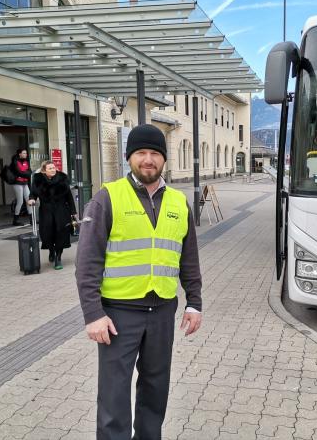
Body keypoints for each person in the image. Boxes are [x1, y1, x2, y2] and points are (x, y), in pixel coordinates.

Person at [75, 124, 202, 440]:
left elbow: (188, 258)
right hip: (118, 315)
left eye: (155, 153)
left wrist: (194, 302)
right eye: (141, 153)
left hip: (162, 311)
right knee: (114, 395)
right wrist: (93, 314)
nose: (148, 160)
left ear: (164, 159)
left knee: (155, 388)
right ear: (129, 157)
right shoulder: (108, 198)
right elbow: (87, 262)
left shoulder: (177, 202)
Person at [28, 161, 76, 270]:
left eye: (54, 167)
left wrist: (73, 212)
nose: (53, 169)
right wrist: (31, 199)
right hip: (46, 211)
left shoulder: (62, 179)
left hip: (62, 210)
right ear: (44, 170)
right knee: (47, 233)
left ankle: (58, 257)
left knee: (61, 233)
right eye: (50, 168)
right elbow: (33, 193)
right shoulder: (38, 180)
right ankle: (51, 250)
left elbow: (69, 196)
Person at [10, 149, 33, 226]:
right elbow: (18, 172)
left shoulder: (26, 162)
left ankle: (32, 220)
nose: (25, 154)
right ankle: (15, 220)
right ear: (19, 154)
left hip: (25, 183)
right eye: (24, 153)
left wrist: (23, 173)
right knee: (20, 201)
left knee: (29, 200)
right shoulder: (15, 162)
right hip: (17, 183)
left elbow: (30, 172)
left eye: (26, 153)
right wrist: (25, 173)